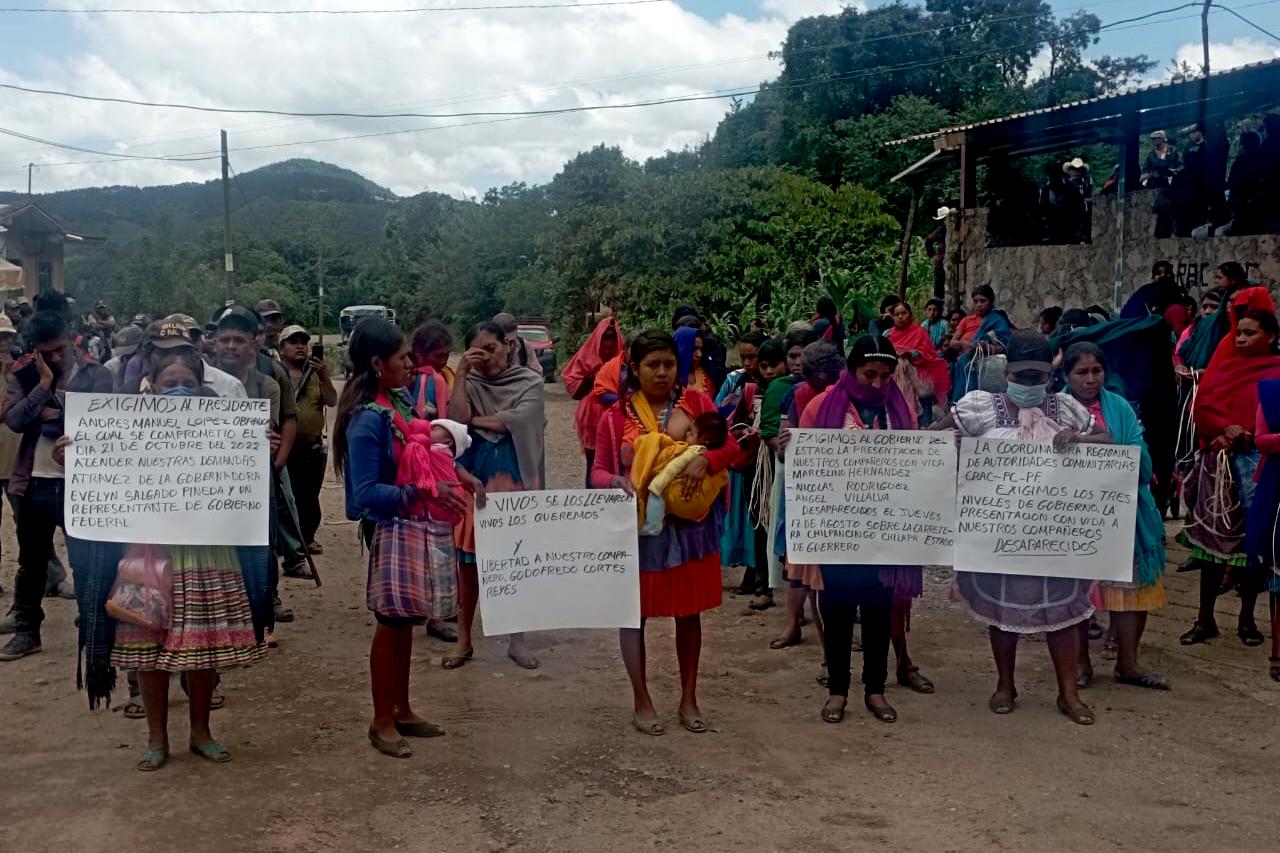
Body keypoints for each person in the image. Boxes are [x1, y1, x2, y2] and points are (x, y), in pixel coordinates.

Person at [100, 351, 268, 770]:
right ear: (152, 388)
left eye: (187, 385)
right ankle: (157, 738)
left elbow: (241, 485)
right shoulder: (128, 431)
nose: (177, 392)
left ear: (201, 389)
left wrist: (258, 450)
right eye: (168, 384)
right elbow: (106, 475)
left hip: (206, 549)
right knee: (148, 651)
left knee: (204, 649)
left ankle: (201, 732)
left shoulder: (222, 430)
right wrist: (79, 456)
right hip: (149, 553)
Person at [935, 330, 1113, 725]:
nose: (1030, 385)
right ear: (1007, 372)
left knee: (1063, 613)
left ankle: (1068, 693)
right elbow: (933, 438)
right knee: (1003, 613)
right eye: (1021, 377)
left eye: (1037, 378)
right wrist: (954, 446)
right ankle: (1005, 684)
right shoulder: (979, 408)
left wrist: (1082, 440)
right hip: (999, 534)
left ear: (1049, 374)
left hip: (1055, 534)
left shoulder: (1066, 408)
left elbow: (1109, 440)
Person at [590, 330, 740, 735]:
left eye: (669, 364)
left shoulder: (697, 403)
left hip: (691, 529)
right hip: (639, 530)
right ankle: (642, 699)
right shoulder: (615, 415)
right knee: (632, 614)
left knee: (688, 614)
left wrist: (705, 460)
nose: (661, 372)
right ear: (634, 370)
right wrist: (614, 483)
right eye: (652, 365)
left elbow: (733, 449)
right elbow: (599, 470)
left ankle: (689, 699)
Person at [335, 317, 465, 758]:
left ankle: (402, 709)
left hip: (410, 525)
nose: (412, 364)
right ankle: (381, 720)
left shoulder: (399, 401)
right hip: (390, 529)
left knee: (404, 621)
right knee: (391, 623)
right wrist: (426, 490)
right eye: (402, 357)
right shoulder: (367, 421)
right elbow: (362, 497)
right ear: (377, 363)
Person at [799, 336, 921, 724]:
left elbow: (916, 466)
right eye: (869, 375)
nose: (877, 384)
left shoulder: (899, 411)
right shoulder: (822, 406)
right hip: (837, 528)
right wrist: (790, 447)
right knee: (836, 609)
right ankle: (837, 690)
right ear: (850, 370)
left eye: (886, 376)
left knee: (879, 609)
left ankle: (875, 689)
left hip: (884, 529)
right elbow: (805, 464)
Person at [0, 309, 113, 661]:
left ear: (72, 339)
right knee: (30, 564)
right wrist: (44, 386)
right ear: (34, 349)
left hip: (84, 485)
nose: (55, 358)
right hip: (34, 481)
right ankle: (27, 631)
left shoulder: (98, 374)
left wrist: (53, 415)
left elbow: (104, 423)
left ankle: (94, 626)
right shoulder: (25, 374)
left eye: (59, 349)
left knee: (88, 559)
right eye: (45, 352)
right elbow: (15, 420)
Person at [1063, 343, 1170, 690]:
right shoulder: (1054, 410)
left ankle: (1128, 663)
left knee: (1131, 589)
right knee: (1076, 591)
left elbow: (1141, 456)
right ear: (1066, 377)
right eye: (1081, 372)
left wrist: (1092, 443)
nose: (1091, 379)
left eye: (1097, 371)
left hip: (1125, 513)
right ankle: (1079, 663)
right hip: (1071, 516)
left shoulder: (1120, 408)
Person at [1178, 305, 1280, 648]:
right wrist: (1224, 428)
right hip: (1218, 466)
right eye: (1238, 332)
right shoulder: (1223, 367)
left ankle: (1247, 618)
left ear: (1272, 337)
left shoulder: (1277, 371)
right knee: (1210, 551)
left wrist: (1252, 433)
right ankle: (1204, 618)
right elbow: (1202, 407)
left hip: (1259, 469)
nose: (1240, 338)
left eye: (1249, 333)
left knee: (1252, 547)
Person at [448, 320, 546, 670]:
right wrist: (460, 376)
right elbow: (455, 421)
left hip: (517, 482)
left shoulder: (530, 382)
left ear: (507, 344)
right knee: (468, 568)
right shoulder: (470, 384)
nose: (487, 358)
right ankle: (464, 640)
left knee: (514, 565)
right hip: (474, 483)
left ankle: (516, 641)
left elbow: (516, 421)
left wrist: (474, 421)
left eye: (492, 348)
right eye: (479, 352)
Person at [216, 307, 303, 635]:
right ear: (214, 342)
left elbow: (277, 427)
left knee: (261, 554)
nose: (230, 346)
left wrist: (275, 464)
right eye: (224, 339)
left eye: (238, 339)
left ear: (254, 343)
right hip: (211, 486)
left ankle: (259, 620)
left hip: (256, 484)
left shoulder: (267, 382)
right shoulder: (201, 381)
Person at [769, 341, 842, 669]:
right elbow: (783, 443)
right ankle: (794, 623)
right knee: (800, 560)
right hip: (806, 488)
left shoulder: (848, 394)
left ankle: (832, 637)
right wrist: (786, 443)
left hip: (840, 488)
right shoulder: (796, 395)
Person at [278, 324, 336, 555]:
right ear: (282, 349)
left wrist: (324, 376)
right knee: (286, 497)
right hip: (285, 446)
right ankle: (288, 541)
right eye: (293, 342)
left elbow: (331, 400)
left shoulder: (315, 374)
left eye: (303, 342)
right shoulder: (277, 373)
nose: (300, 346)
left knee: (309, 496)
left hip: (311, 446)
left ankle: (308, 537)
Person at [561, 316, 624, 484]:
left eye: (612, 337)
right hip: (592, 421)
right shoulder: (587, 356)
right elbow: (573, 388)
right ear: (598, 338)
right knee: (595, 464)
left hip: (618, 418)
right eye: (605, 337)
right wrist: (591, 379)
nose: (608, 343)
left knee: (619, 463)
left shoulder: (624, 361)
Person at [1245, 377, 1280, 682]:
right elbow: (1261, 439)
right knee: (1278, 576)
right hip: (1277, 490)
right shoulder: (1271, 393)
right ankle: (1278, 652)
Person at [886, 301, 951, 426]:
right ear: (893, 317)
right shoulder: (888, 334)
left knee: (922, 415)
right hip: (894, 377)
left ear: (910, 315)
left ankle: (922, 426)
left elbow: (929, 354)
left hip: (918, 375)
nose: (900, 316)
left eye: (903, 313)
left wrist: (910, 354)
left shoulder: (919, 332)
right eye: (897, 314)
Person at [947, 284, 1012, 402]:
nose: (979, 305)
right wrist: (963, 344)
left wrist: (984, 347)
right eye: (976, 301)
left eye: (983, 301)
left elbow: (1004, 347)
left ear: (991, 302)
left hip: (988, 367)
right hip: (966, 362)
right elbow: (952, 343)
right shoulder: (966, 320)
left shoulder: (998, 321)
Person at [1143, 130, 1182, 237]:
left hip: (1172, 184)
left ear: (1163, 138)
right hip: (1155, 185)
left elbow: (1181, 166)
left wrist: (1173, 172)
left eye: (1157, 138)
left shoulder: (1173, 151)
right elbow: (1145, 170)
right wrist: (1149, 175)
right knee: (1160, 213)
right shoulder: (1151, 155)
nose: (1155, 141)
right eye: (1154, 139)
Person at [492, 312, 543, 377]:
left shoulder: (524, 346)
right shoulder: (486, 349)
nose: (508, 345)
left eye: (511, 341)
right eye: (503, 341)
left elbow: (537, 372)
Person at [925, 208, 948, 300]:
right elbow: (928, 241)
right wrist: (933, 255)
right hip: (941, 261)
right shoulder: (940, 230)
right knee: (939, 284)